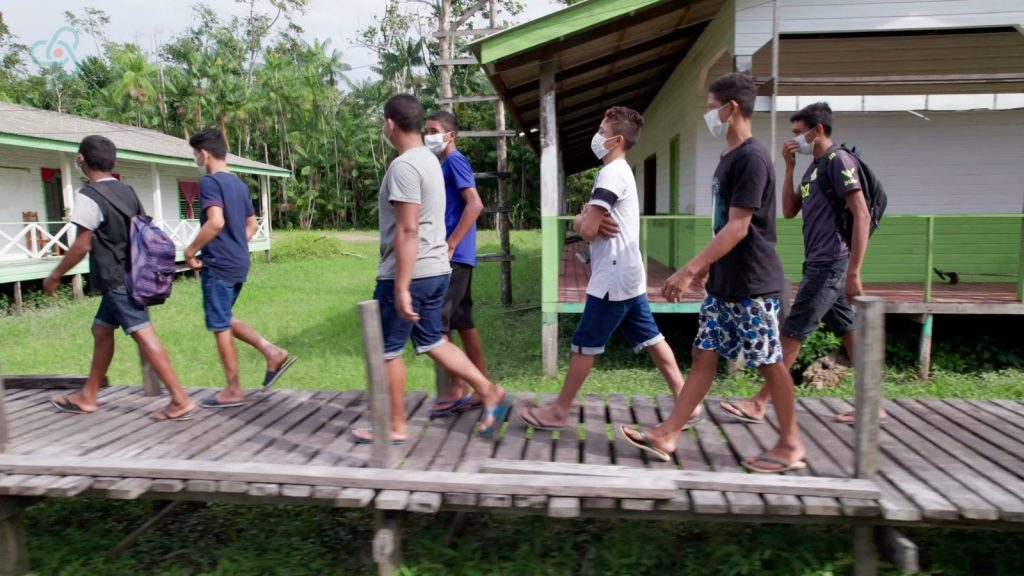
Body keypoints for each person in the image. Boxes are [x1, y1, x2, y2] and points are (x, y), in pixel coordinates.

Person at [620, 73, 806, 473]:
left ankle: (790, 445)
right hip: (727, 281)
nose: (709, 114)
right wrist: (711, 266)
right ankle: (669, 432)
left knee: (770, 363)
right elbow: (725, 226)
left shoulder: (753, 158)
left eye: (710, 107)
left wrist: (691, 267)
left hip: (754, 283)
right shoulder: (729, 158)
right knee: (703, 353)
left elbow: (740, 226)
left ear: (731, 107)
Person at [517, 106, 701, 431]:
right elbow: (593, 223)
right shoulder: (620, 172)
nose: (597, 136)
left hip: (612, 278)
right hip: (628, 274)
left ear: (616, 139)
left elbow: (587, 229)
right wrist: (590, 216)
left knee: (584, 342)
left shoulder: (612, 173)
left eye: (601, 131)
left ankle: (559, 410)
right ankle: (688, 402)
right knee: (652, 338)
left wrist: (584, 217)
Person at [350, 94, 509, 444]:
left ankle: (395, 426)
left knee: (388, 349)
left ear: (390, 123)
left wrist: (402, 286)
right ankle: (487, 390)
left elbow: (408, 229)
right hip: (437, 268)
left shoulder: (405, 166)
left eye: (382, 122)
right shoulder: (430, 162)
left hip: (411, 271)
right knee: (431, 340)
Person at [720, 102, 879, 426]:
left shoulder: (838, 161)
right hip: (818, 261)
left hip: (830, 261)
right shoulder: (814, 167)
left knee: (792, 331)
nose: (795, 138)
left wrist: (855, 271)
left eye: (798, 132)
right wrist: (789, 166)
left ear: (817, 129)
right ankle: (873, 405)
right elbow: (790, 210)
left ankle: (759, 402)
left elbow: (861, 214)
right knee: (848, 331)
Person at [43, 135, 196, 421]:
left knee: (144, 333)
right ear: (113, 163)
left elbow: (82, 245)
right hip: (134, 273)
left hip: (116, 279)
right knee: (101, 330)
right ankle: (89, 395)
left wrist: (55, 276)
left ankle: (180, 399)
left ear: (81, 161)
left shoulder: (88, 196)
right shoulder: (127, 190)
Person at [185, 128, 296, 409]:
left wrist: (190, 250)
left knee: (219, 324)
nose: (195, 159)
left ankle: (233, 388)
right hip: (237, 262)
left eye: (195, 153)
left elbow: (216, 222)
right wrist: (235, 245)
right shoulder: (238, 184)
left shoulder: (210, 182)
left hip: (219, 263)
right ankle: (272, 351)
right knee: (223, 317)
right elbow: (251, 225)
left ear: (204, 153)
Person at [423, 110, 489, 417]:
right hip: (461, 256)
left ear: (450, 135)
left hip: (454, 257)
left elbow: (475, 204)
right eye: (427, 130)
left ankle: (456, 390)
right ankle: (480, 387)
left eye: (434, 130)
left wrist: (450, 244)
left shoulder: (454, 161)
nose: (429, 136)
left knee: (439, 325)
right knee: (464, 322)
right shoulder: (445, 164)